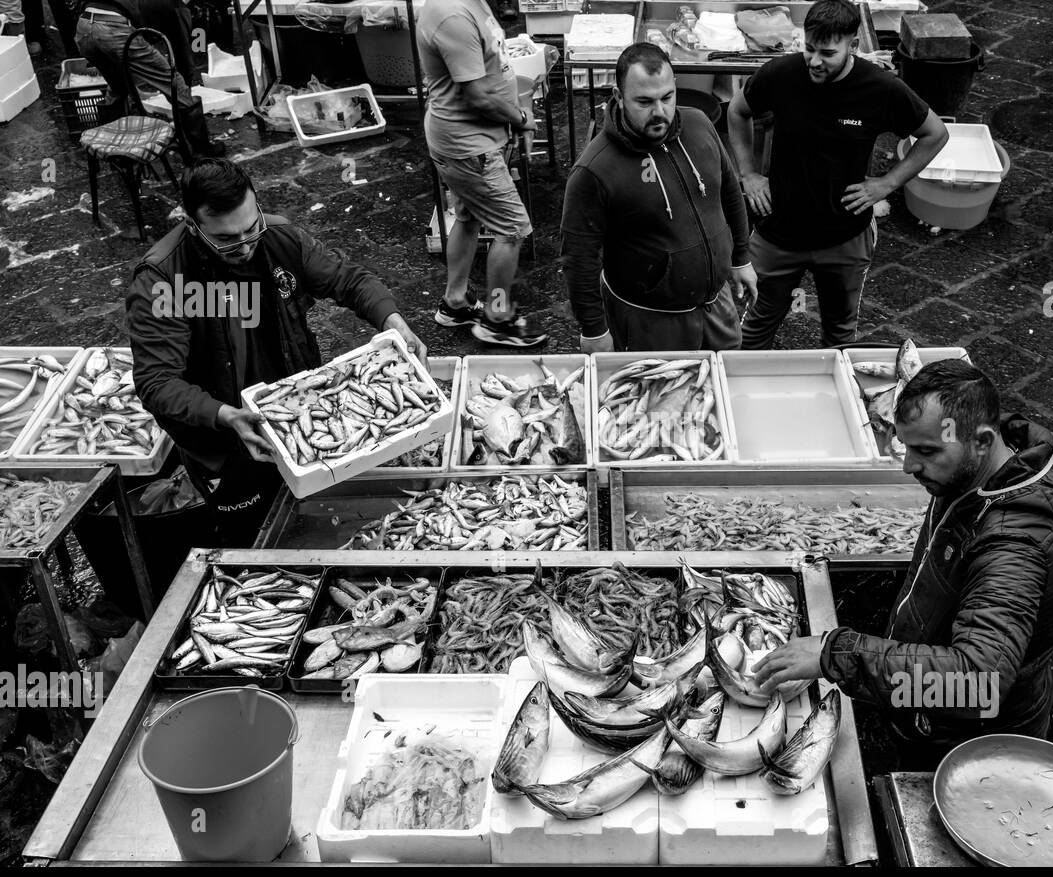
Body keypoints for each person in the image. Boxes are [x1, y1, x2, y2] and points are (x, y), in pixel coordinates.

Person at [755, 360, 1053, 768]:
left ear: (982, 441)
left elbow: (978, 684)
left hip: (968, 747)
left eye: (926, 451)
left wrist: (837, 654)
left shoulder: (1014, 545)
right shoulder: (975, 474)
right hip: (925, 711)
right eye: (906, 447)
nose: (908, 466)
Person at [125, 159, 429, 546]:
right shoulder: (165, 279)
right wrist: (224, 415)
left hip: (298, 410)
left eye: (252, 227)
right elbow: (157, 382)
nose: (245, 244)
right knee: (253, 529)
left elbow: (348, 279)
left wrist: (393, 320)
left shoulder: (281, 239)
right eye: (226, 238)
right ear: (191, 223)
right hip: (226, 439)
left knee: (318, 512)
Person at [727, 0, 948, 349]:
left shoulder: (879, 88)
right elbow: (738, 112)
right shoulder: (780, 74)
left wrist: (888, 183)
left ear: (854, 47)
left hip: (845, 236)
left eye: (827, 53)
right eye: (809, 48)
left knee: (840, 333)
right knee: (755, 328)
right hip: (777, 232)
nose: (814, 61)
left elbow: (935, 134)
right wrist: (749, 174)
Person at [561, 43, 756, 353]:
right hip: (650, 320)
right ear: (618, 96)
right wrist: (594, 330)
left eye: (667, 97)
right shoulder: (594, 169)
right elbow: (578, 257)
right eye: (644, 101)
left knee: (723, 388)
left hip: (716, 306)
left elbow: (730, 190)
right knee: (661, 398)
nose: (659, 112)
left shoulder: (699, 124)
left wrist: (741, 258)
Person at [416, 0, 545, 348]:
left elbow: (491, 70)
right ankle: (497, 319)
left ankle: (455, 302)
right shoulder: (452, 14)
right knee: (512, 229)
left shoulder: (472, 4)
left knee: (468, 217)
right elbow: (478, 96)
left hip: (474, 140)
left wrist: (513, 111)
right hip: (469, 147)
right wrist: (521, 119)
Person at [74, 0, 225, 159]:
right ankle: (201, 152)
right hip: (113, 28)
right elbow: (182, 55)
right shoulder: (178, 7)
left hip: (84, 27)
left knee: (117, 86)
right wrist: (182, 92)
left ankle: (116, 155)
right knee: (175, 83)